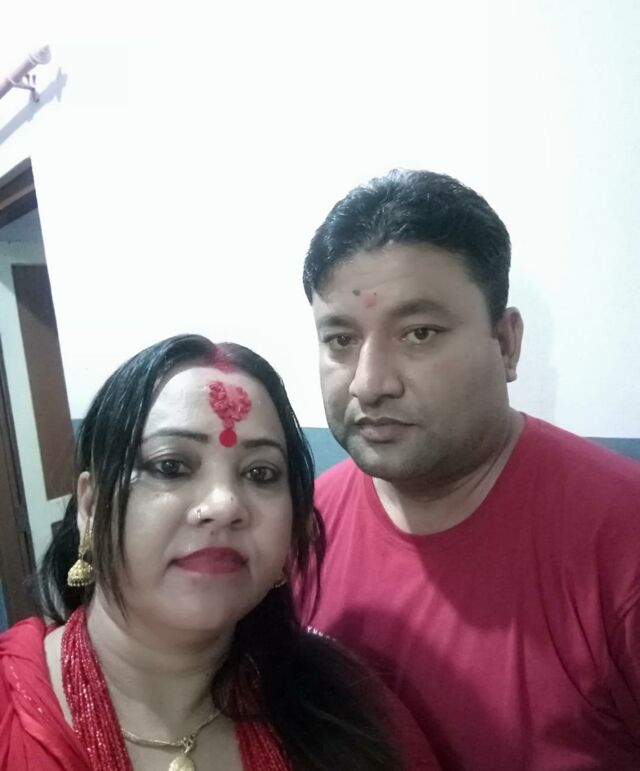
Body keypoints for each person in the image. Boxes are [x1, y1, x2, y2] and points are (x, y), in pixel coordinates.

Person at [300, 169, 640, 771]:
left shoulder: (623, 541)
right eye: (340, 340)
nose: (369, 383)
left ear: (506, 344)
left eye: (419, 333)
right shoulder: (298, 533)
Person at [0, 334, 440, 770]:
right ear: (91, 506)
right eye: (171, 466)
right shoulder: (11, 713)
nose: (225, 505)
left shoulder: (351, 712)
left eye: (260, 473)